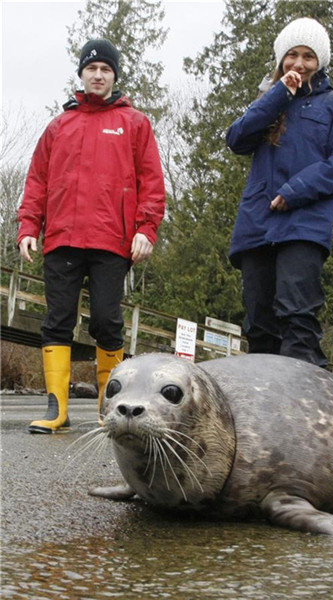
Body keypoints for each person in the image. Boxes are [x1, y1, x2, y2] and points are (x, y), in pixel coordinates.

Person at [17, 39, 165, 433]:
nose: (98, 75)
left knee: (106, 320)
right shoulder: (58, 126)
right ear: (81, 74)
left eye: (106, 69)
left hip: (111, 241)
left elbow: (151, 182)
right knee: (57, 321)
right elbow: (37, 181)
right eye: (92, 68)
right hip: (62, 238)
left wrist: (146, 228)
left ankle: (109, 409)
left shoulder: (135, 123)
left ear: (115, 76)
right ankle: (56, 410)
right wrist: (28, 226)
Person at [226, 17, 333, 367]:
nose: (299, 63)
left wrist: (295, 191)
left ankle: (304, 412)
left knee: (296, 316)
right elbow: (236, 140)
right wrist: (277, 95)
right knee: (258, 322)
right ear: (281, 59)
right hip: (258, 224)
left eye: (308, 57)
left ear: (320, 62)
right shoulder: (269, 101)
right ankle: (262, 410)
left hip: (304, 223)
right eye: (292, 55)